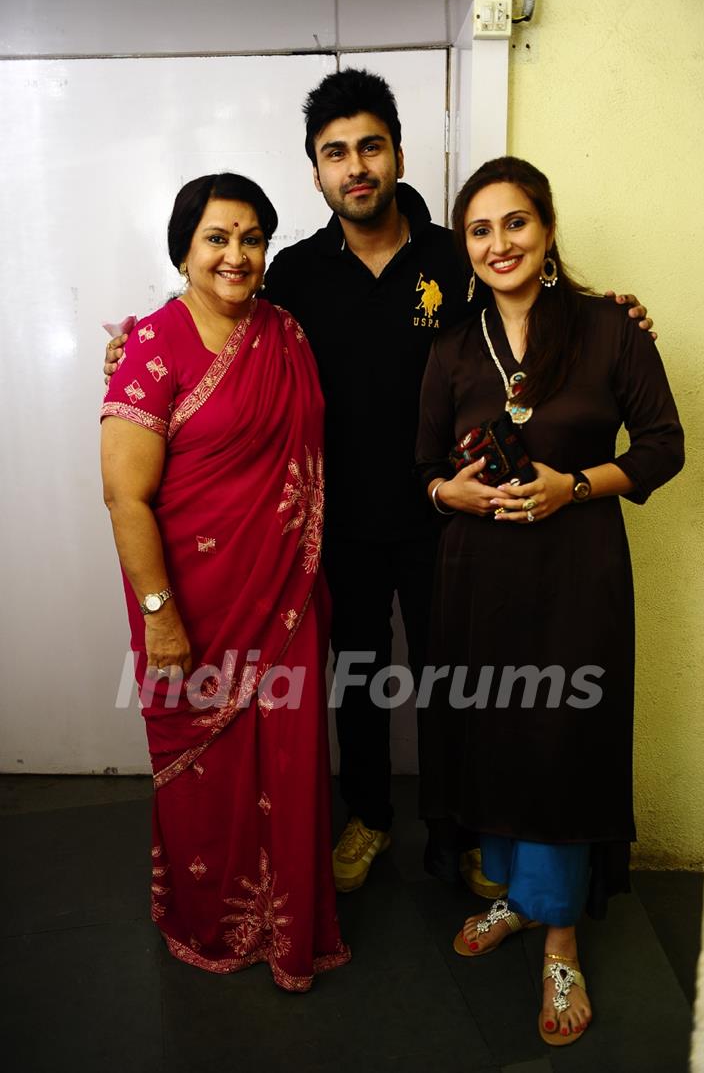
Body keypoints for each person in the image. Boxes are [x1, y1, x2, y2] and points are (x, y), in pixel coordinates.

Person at [103, 69, 655, 897]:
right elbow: (217, 314)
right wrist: (132, 346)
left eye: (370, 146)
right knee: (353, 680)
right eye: (335, 153)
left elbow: (528, 300)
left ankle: (462, 832)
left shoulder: (454, 253)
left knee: (459, 681)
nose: (355, 165)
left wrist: (611, 312)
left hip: (458, 518)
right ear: (315, 172)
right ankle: (367, 818)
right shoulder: (290, 271)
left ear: (397, 153)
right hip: (331, 527)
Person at [416, 156, 684, 1044]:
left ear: (548, 227)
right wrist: (447, 493)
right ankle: (520, 901)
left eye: (516, 222)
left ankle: (561, 936)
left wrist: (576, 484)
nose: (501, 243)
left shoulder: (610, 329)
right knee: (494, 737)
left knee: (565, 744)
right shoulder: (453, 346)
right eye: (481, 229)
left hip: (578, 578)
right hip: (477, 586)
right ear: (466, 245)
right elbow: (424, 469)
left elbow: (662, 445)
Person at [100, 172, 350, 991]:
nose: (236, 255)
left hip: (286, 596)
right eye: (217, 237)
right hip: (189, 604)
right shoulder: (151, 345)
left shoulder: (289, 334)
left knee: (287, 763)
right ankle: (211, 922)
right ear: (184, 249)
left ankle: (289, 931)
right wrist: (161, 618)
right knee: (205, 782)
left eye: (251, 238)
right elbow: (124, 494)